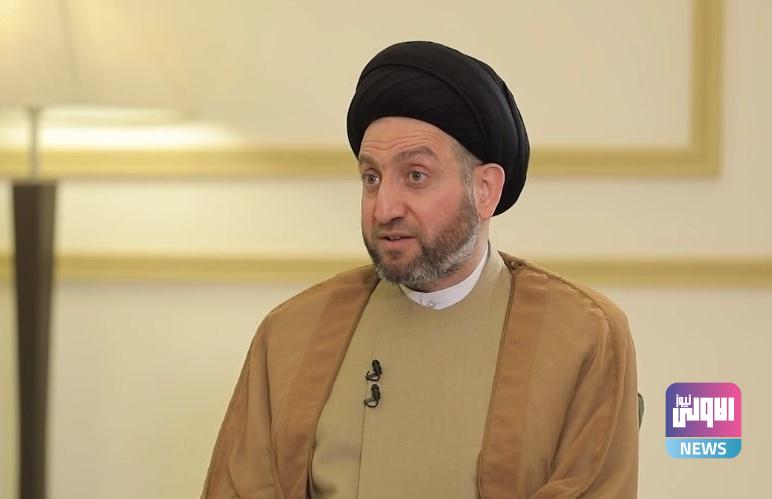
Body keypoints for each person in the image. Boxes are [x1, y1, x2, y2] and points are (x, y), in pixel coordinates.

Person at [201, 41, 639, 499]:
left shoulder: (582, 335)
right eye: (372, 178)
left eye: (415, 176)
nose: (384, 208)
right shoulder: (291, 332)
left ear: (485, 190)